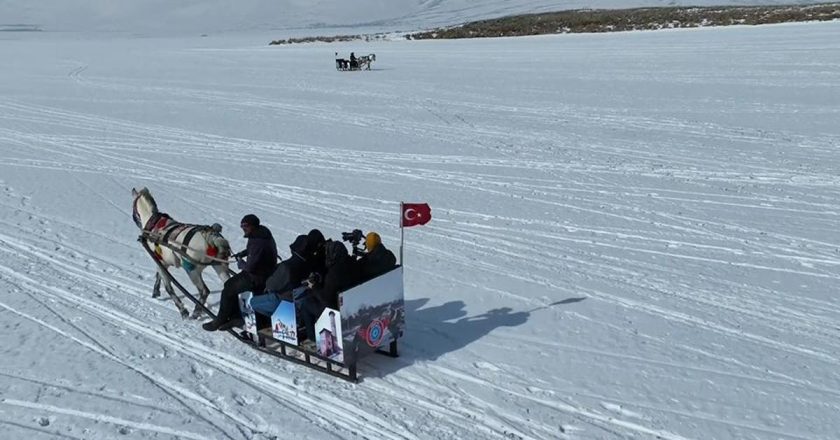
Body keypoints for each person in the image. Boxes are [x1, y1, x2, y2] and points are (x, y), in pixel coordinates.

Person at [203, 214, 277, 331]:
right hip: (265, 272)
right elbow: (253, 250)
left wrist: (241, 263)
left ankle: (221, 319)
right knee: (232, 285)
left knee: (228, 288)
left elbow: (250, 267)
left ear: (253, 226)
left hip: (257, 277)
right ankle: (235, 316)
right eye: (242, 226)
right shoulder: (261, 234)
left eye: (245, 226)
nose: (243, 228)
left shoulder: (258, 241)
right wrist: (243, 253)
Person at [299, 240, 360, 342]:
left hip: (334, 309)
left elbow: (325, 298)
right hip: (349, 303)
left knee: (306, 303)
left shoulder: (333, 274)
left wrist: (314, 286)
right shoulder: (352, 264)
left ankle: (312, 337)